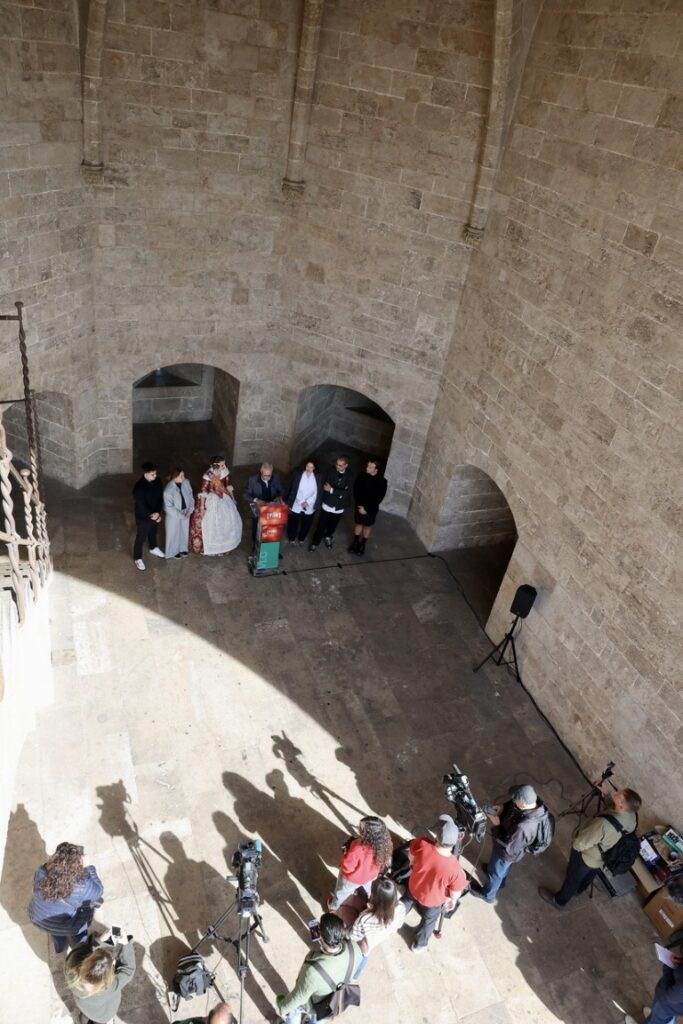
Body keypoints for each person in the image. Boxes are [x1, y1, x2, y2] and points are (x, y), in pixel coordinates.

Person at [539, 786, 642, 908]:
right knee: (591, 873)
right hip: (605, 856)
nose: (617, 792)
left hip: (587, 856)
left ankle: (559, 901)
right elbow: (616, 813)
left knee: (573, 878)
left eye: (619, 795)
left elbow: (582, 842)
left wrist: (575, 845)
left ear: (621, 806)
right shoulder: (632, 816)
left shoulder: (603, 824)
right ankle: (579, 890)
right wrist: (608, 796)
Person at [470, 784, 550, 902]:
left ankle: (488, 895)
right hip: (513, 847)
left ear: (522, 804)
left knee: (496, 872)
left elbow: (509, 847)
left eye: (515, 800)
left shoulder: (525, 827)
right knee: (501, 869)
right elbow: (514, 805)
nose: (513, 801)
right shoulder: (533, 803)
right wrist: (503, 807)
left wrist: (497, 825)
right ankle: (500, 882)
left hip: (506, 852)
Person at [276, 912, 361, 1024]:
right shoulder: (355, 949)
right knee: (318, 1019)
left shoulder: (313, 972)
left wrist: (282, 1006)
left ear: (321, 938)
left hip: (313, 1005)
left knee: (295, 1010)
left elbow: (299, 998)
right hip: (330, 1004)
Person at [401, 814, 468, 952]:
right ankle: (419, 945)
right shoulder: (455, 869)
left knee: (405, 902)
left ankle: (393, 921)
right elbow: (454, 894)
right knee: (429, 921)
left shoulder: (422, 843)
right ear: (455, 843)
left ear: (436, 836)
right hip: (433, 901)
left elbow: (411, 859)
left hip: (414, 887)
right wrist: (452, 900)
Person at [28, 842, 104, 953]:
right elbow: (99, 891)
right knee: (77, 935)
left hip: (39, 919)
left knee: (55, 931)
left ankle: (59, 947)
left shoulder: (41, 871)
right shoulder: (81, 885)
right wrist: (88, 867)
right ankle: (77, 949)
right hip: (68, 926)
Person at [65, 936, 136, 1024]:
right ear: (107, 977)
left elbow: (83, 947)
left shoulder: (71, 969)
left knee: (85, 1015)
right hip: (101, 1015)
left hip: (84, 1006)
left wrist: (101, 940)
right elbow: (129, 970)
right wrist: (126, 944)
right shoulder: (109, 988)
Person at [328, 815, 393, 910]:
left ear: (369, 834)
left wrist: (345, 854)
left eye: (362, 829)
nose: (358, 828)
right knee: (368, 890)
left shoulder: (357, 847)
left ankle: (334, 907)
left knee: (341, 892)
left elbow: (347, 867)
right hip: (370, 877)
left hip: (352, 879)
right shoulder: (384, 845)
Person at [348, 876, 406, 977]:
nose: (369, 894)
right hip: (379, 937)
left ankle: (353, 974)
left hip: (366, 944)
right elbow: (398, 926)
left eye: (372, 893)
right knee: (365, 956)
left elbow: (353, 936)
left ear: (375, 898)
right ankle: (356, 976)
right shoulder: (401, 907)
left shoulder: (365, 918)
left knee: (363, 954)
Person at [189, 455, 242, 555]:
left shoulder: (225, 472)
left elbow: (226, 486)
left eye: (224, 464)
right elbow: (204, 490)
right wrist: (202, 507)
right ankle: (211, 548)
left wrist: (233, 499)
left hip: (224, 498)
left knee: (227, 522)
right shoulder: (209, 474)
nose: (224, 466)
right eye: (222, 465)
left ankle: (224, 547)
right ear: (215, 465)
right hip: (211, 499)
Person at [624, 951, 683, 1024]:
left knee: (657, 1020)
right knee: (659, 1016)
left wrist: (668, 968)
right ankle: (653, 1017)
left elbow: (672, 996)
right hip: (673, 1005)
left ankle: (652, 1020)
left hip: (667, 1004)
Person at [308, 455, 351, 551]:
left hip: (339, 506)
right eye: (337, 464)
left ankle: (328, 537)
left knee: (333, 525)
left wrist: (332, 490)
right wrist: (340, 492)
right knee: (321, 525)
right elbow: (326, 487)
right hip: (328, 503)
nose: (337, 466)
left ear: (346, 466)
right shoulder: (330, 472)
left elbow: (347, 493)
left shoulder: (349, 475)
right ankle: (315, 542)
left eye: (340, 465)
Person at [348, 459, 387, 556]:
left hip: (371, 508)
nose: (367, 468)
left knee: (367, 526)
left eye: (370, 467)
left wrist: (366, 509)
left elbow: (379, 498)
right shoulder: (362, 475)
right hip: (359, 505)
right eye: (367, 466)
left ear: (376, 470)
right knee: (358, 524)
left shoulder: (382, 481)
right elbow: (356, 490)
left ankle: (362, 544)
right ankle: (355, 542)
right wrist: (359, 506)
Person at [243, 462, 286, 546]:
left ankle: (272, 549)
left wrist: (279, 496)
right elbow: (245, 494)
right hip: (258, 509)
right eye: (265, 475)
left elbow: (281, 490)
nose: (268, 478)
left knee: (273, 530)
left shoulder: (275, 477)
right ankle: (255, 547)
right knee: (257, 530)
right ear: (261, 471)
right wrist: (256, 499)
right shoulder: (252, 479)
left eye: (269, 475)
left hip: (272, 509)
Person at [132, 461, 165, 570]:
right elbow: (141, 505)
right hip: (143, 516)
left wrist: (158, 513)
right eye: (152, 474)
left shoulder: (158, 481)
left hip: (155, 513)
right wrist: (152, 514)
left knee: (153, 531)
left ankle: (153, 547)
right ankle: (137, 557)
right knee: (141, 537)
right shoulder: (138, 487)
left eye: (155, 473)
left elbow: (160, 498)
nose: (155, 476)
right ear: (145, 473)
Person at [285, 459, 322, 544]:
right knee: (293, 522)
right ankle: (291, 538)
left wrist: (308, 502)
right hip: (297, 503)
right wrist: (301, 501)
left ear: (314, 468)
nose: (309, 469)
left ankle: (302, 538)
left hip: (310, 504)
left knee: (307, 523)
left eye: (311, 467)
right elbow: (295, 489)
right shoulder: (298, 475)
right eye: (307, 466)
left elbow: (317, 492)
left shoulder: (318, 477)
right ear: (305, 466)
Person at [163, 467, 195, 559]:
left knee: (184, 531)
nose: (183, 477)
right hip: (174, 515)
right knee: (173, 533)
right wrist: (181, 516)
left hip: (186, 512)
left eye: (183, 475)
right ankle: (173, 552)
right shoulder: (168, 490)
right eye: (181, 476)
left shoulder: (186, 482)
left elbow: (190, 496)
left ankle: (182, 549)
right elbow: (168, 508)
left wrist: (190, 510)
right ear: (175, 477)